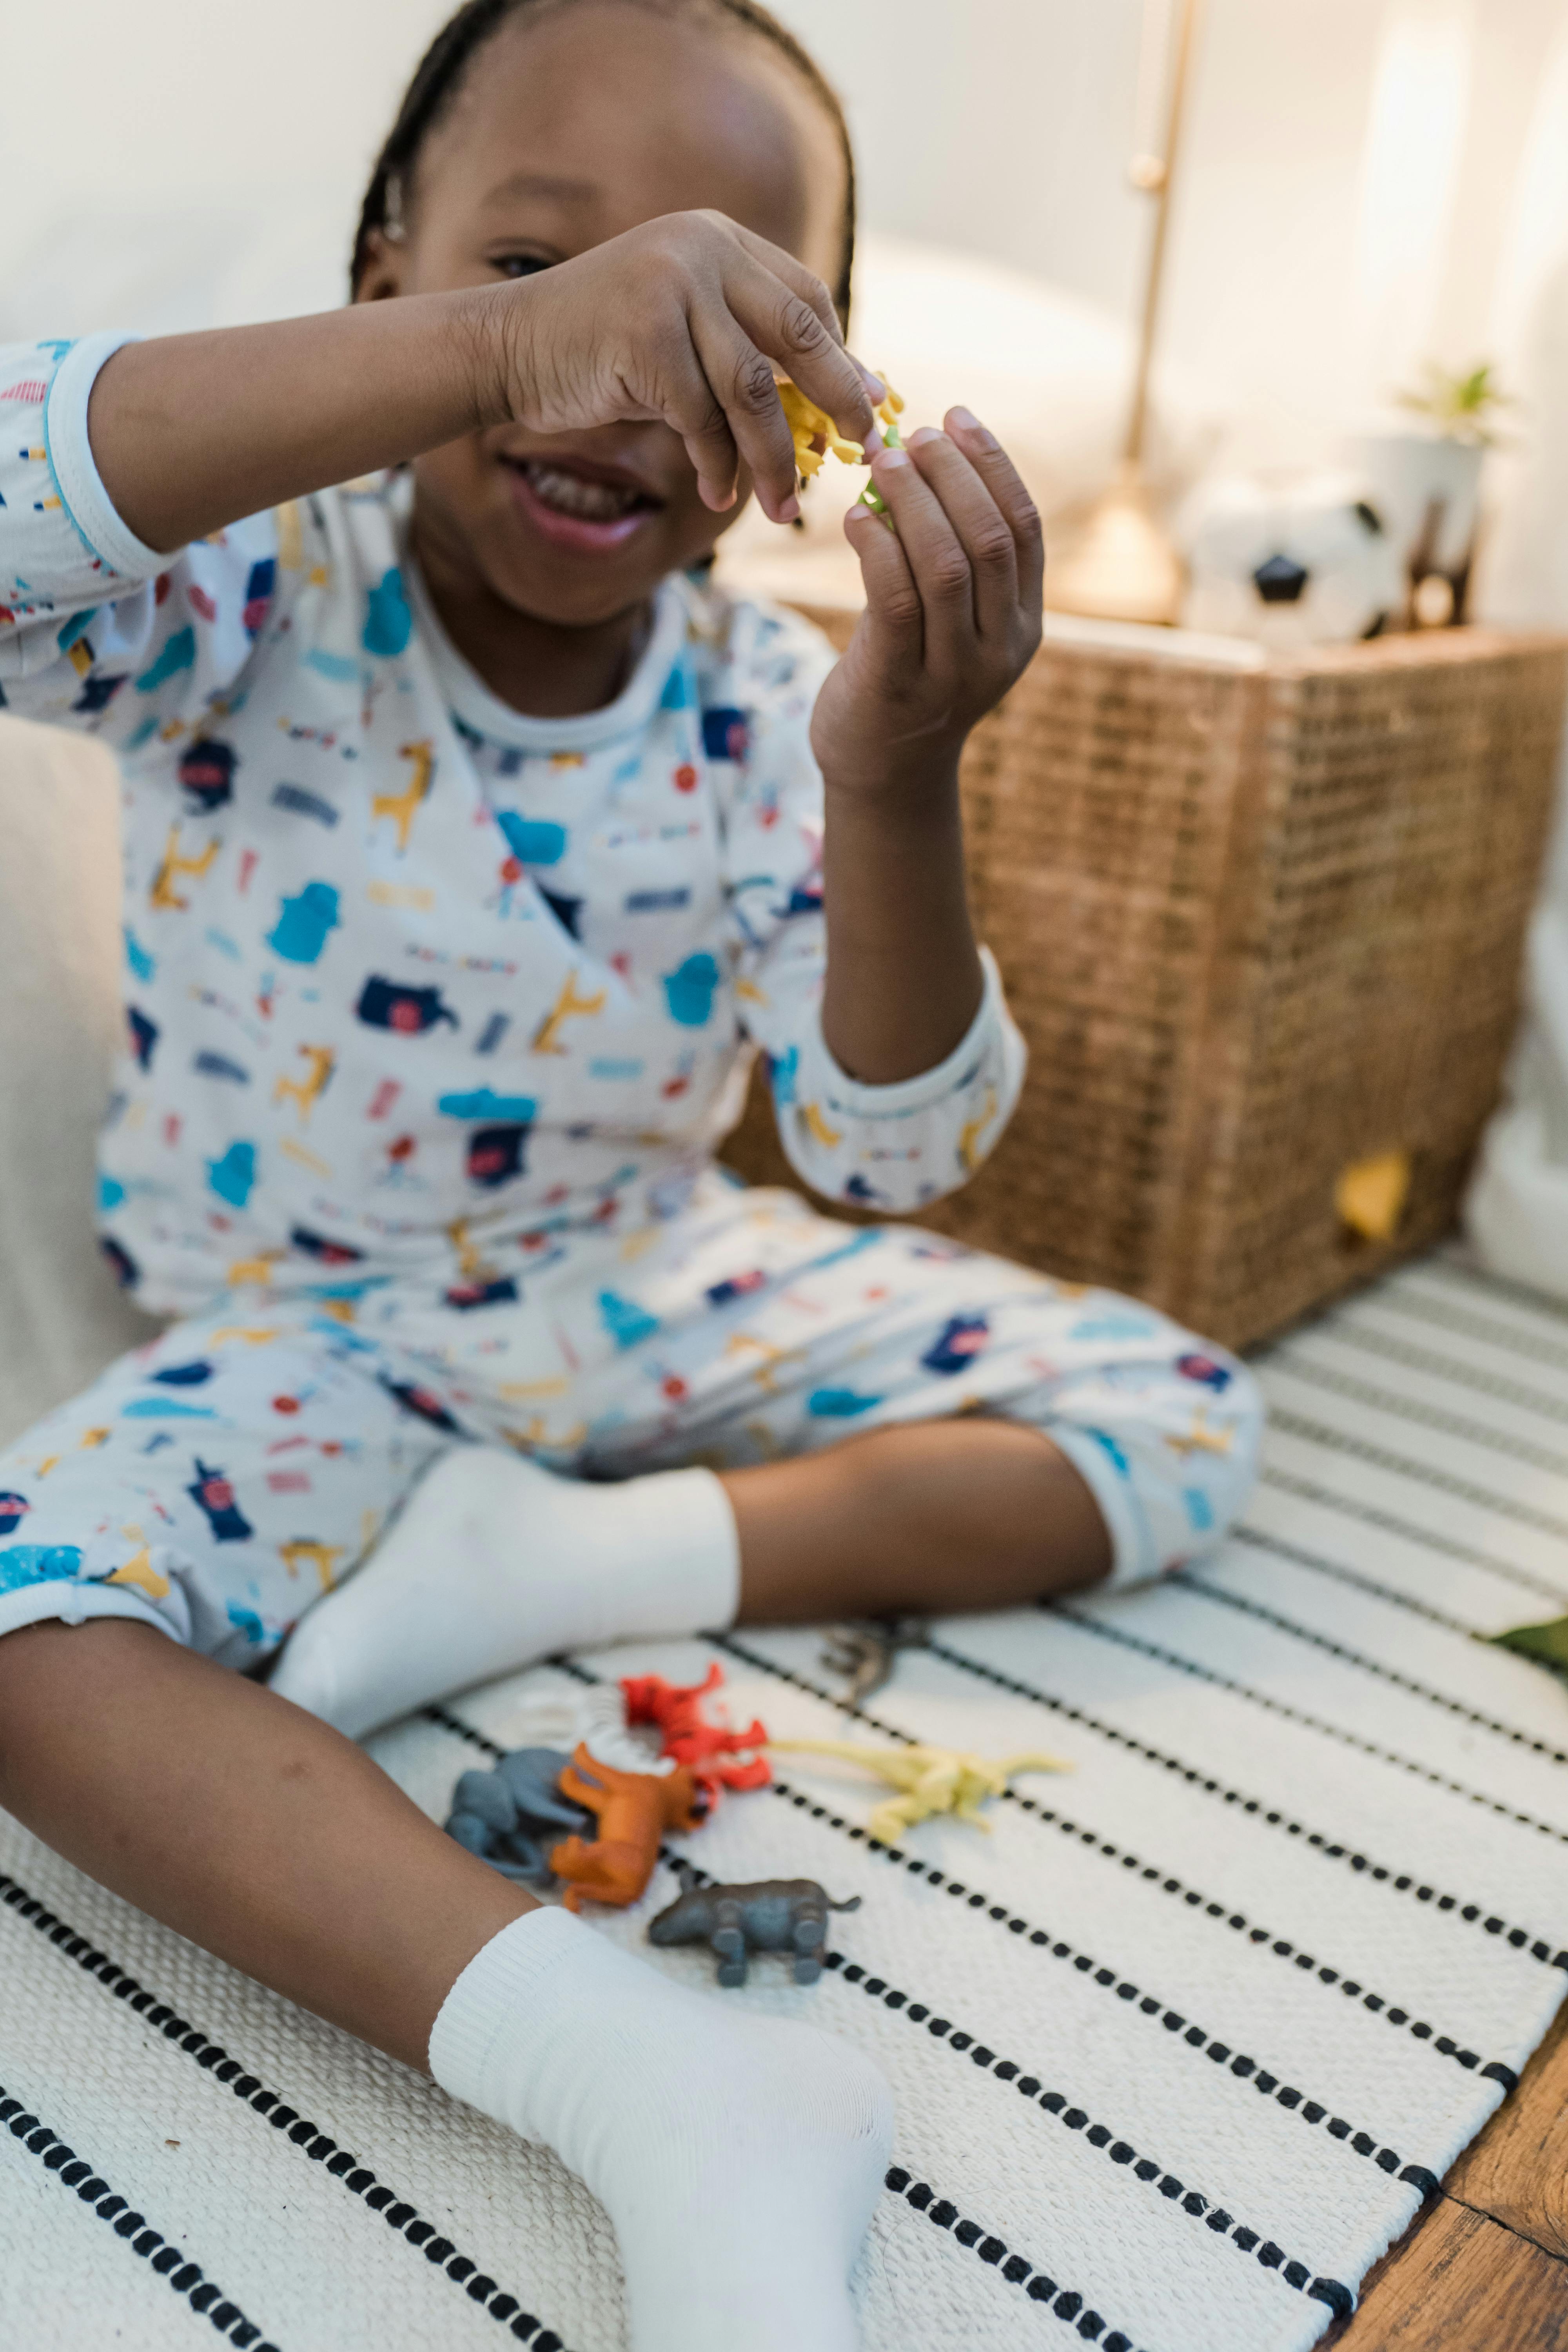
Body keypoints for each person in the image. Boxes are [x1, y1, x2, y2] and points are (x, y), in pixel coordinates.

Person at [0, 2, 1262, 2344]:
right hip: (315, 1336)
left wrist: (895, 778)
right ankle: (662, 2088)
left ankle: (553, 1560)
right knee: (25, 1637)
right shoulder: (258, 599)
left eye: (717, 324)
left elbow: (899, 1151)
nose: (613, 390)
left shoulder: (754, 708)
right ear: (391, 280)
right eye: (552, 280)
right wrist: (491, 350)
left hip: (650, 1280)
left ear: (806, 400)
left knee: (1186, 1422)